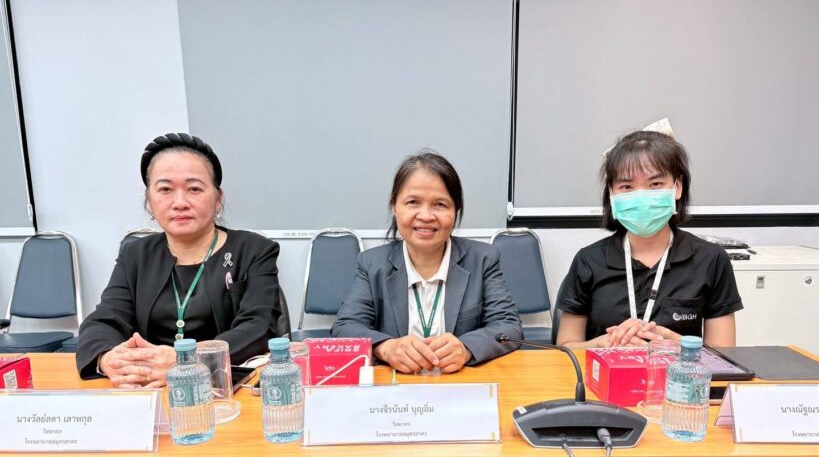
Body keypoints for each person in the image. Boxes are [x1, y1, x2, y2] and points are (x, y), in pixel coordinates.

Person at [77, 133, 286, 385]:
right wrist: (108, 359)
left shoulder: (254, 250)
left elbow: (258, 329)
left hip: (222, 387)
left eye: (194, 189)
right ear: (149, 201)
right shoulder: (135, 255)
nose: (179, 203)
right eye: (165, 189)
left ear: (218, 200)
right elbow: (104, 321)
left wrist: (186, 360)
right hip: (151, 387)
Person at [332, 151, 522, 373]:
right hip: (397, 386)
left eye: (440, 204)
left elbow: (508, 327)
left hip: (460, 382)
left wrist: (466, 348)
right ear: (394, 206)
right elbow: (345, 327)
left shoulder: (483, 259)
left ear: (456, 209)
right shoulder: (372, 264)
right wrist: (385, 347)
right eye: (413, 202)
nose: (426, 216)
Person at [555, 128, 742, 349]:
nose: (641, 196)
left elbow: (725, 355)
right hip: (605, 371)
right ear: (611, 194)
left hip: (677, 372)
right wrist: (603, 345)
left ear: (677, 187)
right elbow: (565, 348)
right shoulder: (588, 260)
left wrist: (680, 345)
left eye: (655, 184)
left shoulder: (711, 260)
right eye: (626, 187)